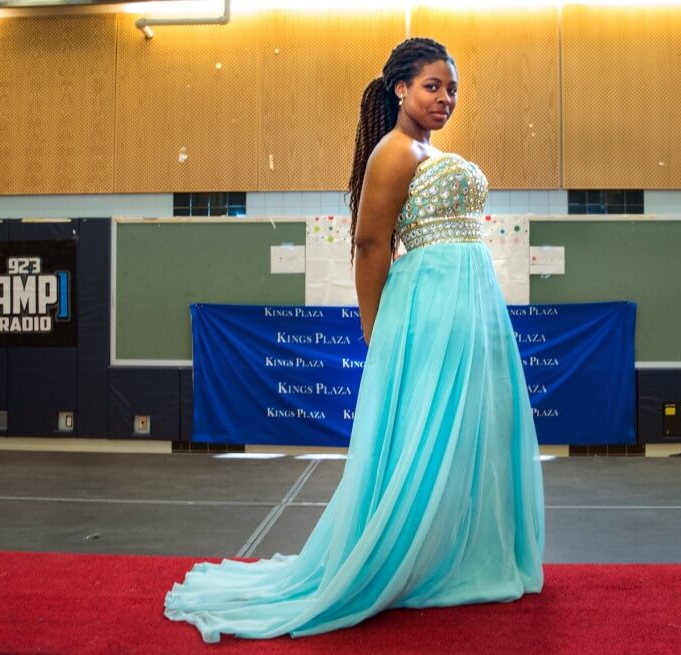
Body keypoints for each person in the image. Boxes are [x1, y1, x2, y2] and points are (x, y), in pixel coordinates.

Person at [163, 37, 545, 642]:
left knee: (472, 429)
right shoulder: (393, 152)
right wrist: (375, 329)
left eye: (452, 89)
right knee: (429, 430)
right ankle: (412, 557)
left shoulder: (425, 150)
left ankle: (457, 554)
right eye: (432, 86)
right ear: (401, 88)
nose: (445, 98)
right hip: (432, 303)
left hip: (471, 306)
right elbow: (370, 245)